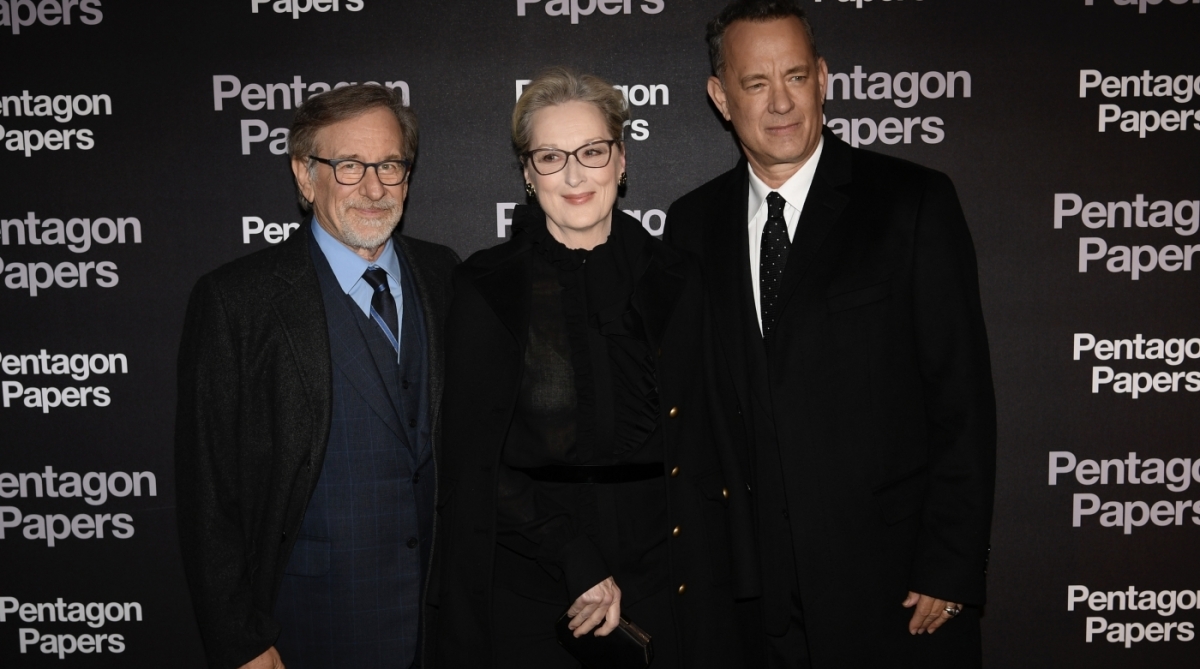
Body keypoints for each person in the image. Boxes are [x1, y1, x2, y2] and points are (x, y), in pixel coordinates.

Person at [664, 2, 997, 667]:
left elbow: (962, 399)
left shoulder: (912, 203)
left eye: (795, 75)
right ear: (720, 97)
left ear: (823, 78)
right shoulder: (692, 226)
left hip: (894, 592)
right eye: (756, 83)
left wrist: (949, 566)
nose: (781, 101)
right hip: (754, 606)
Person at [426, 68, 741, 669]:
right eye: (550, 156)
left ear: (620, 160)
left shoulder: (677, 277)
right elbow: (470, 456)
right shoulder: (485, 286)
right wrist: (575, 558)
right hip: (535, 584)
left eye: (592, 152)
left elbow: (705, 439)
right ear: (526, 172)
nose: (574, 174)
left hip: (667, 578)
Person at [175, 84, 459, 669]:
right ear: (306, 176)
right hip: (308, 627)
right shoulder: (238, 301)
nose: (375, 187)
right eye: (349, 165)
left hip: (441, 626)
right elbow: (209, 488)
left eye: (390, 165)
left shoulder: (445, 274)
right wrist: (241, 641)